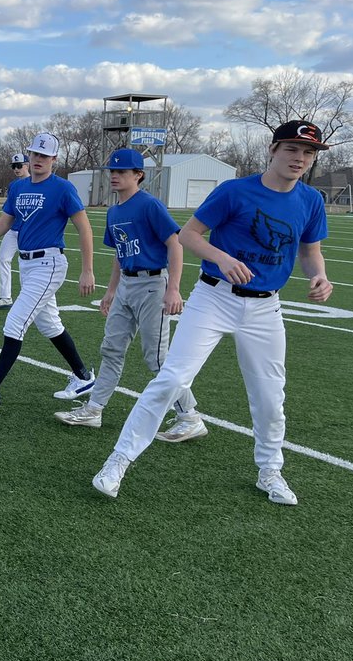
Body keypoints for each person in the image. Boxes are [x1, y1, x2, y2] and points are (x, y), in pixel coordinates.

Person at [92, 120, 332, 506]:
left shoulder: (311, 200)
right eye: (292, 149)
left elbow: (309, 250)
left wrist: (319, 275)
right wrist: (223, 258)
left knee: (270, 396)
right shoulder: (234, 191)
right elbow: (188, 235)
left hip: (265, 306)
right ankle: (118, 461)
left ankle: (270, 470)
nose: (300, 158)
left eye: (308, 153)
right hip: (214, 298)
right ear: (273, 150)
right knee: (170, 379)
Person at [54, 148, 203, 437]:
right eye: (112, 171)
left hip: (152, 285)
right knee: (111, 349)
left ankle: (190, 416)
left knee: (157, 359)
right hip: (127, 285)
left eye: (122, 171)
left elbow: (175, 244)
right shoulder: (114, 211)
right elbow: (120, 254)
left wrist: (173, 288)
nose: (114, 176)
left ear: (139, 175)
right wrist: (110, 291)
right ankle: (94, 409)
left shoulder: (149, 205)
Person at [0, 132, 96, 411]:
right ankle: (83, 377)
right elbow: (7, 220)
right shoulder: (19, 187)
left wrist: (87, 270)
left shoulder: (62, 188)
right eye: (35, 154)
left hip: (49, 264)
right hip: (26, 265)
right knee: (50, 324)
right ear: (29, 155)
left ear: (54, 159)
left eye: (44, 155)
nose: (38, 160)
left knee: (14, 323)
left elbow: (84, 228)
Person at [0, 152, 31, 307]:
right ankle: (5, 297)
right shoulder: (13, 185)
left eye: (19, 165)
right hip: (13, 229)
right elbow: (9, 210)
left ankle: (28, 297)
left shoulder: (35, 182)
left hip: (28, 231)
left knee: (28, 264)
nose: (16, 169)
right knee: (3, 259)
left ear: (27, 165)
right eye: (14, 166)